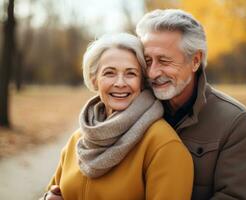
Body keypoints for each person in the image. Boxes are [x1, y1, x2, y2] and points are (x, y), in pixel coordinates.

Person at [41, 33, 193, 200]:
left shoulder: (163, 146)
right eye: (109, 73)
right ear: (94, 80)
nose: (120, 83)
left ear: (142, 82)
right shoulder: (78, 140)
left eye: (130, 74)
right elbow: (52, 191)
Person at [136, 9, 246, 200]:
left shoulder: (235, 122)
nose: (152, 72)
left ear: (195, 61)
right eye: (148, 61)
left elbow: (234, 196)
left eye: (164, 60)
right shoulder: (134, 111)